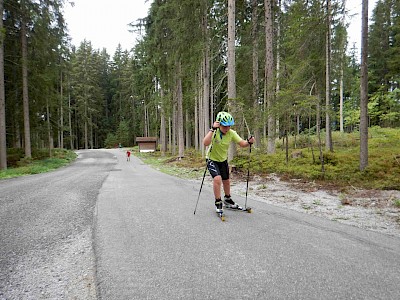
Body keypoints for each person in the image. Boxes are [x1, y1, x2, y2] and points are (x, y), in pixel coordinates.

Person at [203, 111, 255, 214]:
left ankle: (227, 199)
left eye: (229, 126)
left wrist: (249, 142)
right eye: (225, 126)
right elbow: (205, 143)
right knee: (217, 179)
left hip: (223, 160)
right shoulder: (214, 132)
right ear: (219, 124)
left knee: (226, 180)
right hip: (211, 159)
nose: (227, 129)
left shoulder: (231, 133)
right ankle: (218, 202)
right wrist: (212, 129)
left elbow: (242, 143)